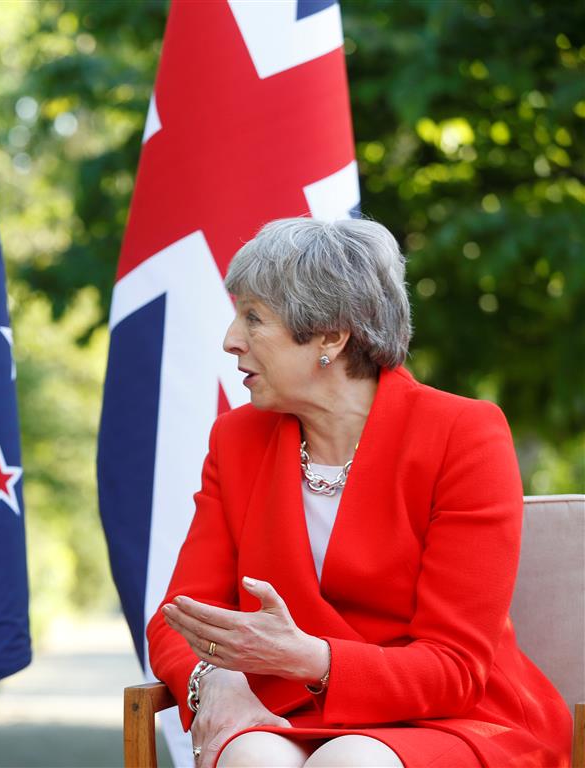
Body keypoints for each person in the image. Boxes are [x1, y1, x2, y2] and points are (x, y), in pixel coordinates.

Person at [147, 217, 572, 768]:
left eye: (253, 318)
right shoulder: (235, 440)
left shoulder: (464, 435)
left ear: (330, 335)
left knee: (351, 762)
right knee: (252, 758)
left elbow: (455, 667)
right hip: (295, 716)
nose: (231, 340)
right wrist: (213, 680)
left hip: (457, 719)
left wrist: (313, 659)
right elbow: (179, 619)